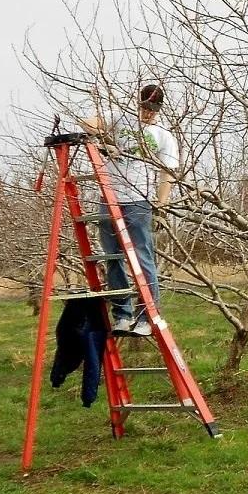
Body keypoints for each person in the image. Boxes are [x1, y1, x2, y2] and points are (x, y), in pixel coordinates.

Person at [81, 84, 179, 336]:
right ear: (139, 103)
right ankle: (122, 315)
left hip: (139, 200)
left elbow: (167, 172)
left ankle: (148, 316)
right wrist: (105, 140)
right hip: (110, 198)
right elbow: (87, 124)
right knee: (112, 257)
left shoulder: (162, 135)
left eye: (153, 109)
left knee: (142, 258)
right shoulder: (119, 119)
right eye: (145, 107)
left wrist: (162, 203)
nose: (148, 113)